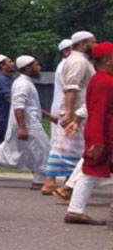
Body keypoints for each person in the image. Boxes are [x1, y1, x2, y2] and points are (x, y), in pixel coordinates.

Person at [64, 41, 113, 224]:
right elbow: (98, 113)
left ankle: (75, 210)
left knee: (90, 173)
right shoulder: (104, 82)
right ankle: (75, 211)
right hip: (104, 134)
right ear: (108, 60)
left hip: (104, 134)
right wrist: (97, 141)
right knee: (90, 172)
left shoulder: (103, 79)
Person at [0, 56, 52, 188]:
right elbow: (19, 105)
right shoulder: (22, 84)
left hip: (29, 122)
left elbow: (31, 105)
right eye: (37, 65)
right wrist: (22, 128)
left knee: (15, 150)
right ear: (28, 68)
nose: (39, 68)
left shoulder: (26, 82)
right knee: (44, 150)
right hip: (28, 124)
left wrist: (49, 115)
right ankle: (43, 182)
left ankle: (39, 181)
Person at [49, 32, 96, 201]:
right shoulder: (78, 61)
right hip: (79, 114)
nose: (96, 45)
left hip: (82, 112)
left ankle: (67, 186)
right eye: (93, 42)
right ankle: (66, 186)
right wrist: (70, 114)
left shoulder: (81, 60)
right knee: (92, 152)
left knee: (87, 153)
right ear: (83, 43)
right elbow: (71, 88)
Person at [42, 39, 74, 195]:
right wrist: (69, 112)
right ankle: (52, 181)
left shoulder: (69, 64)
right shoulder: (69, 65)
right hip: (68, 108)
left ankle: (68, 182)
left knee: (66, 145)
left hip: (65, 108)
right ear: (66, 51)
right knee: (63, 145)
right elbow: (71, 89)